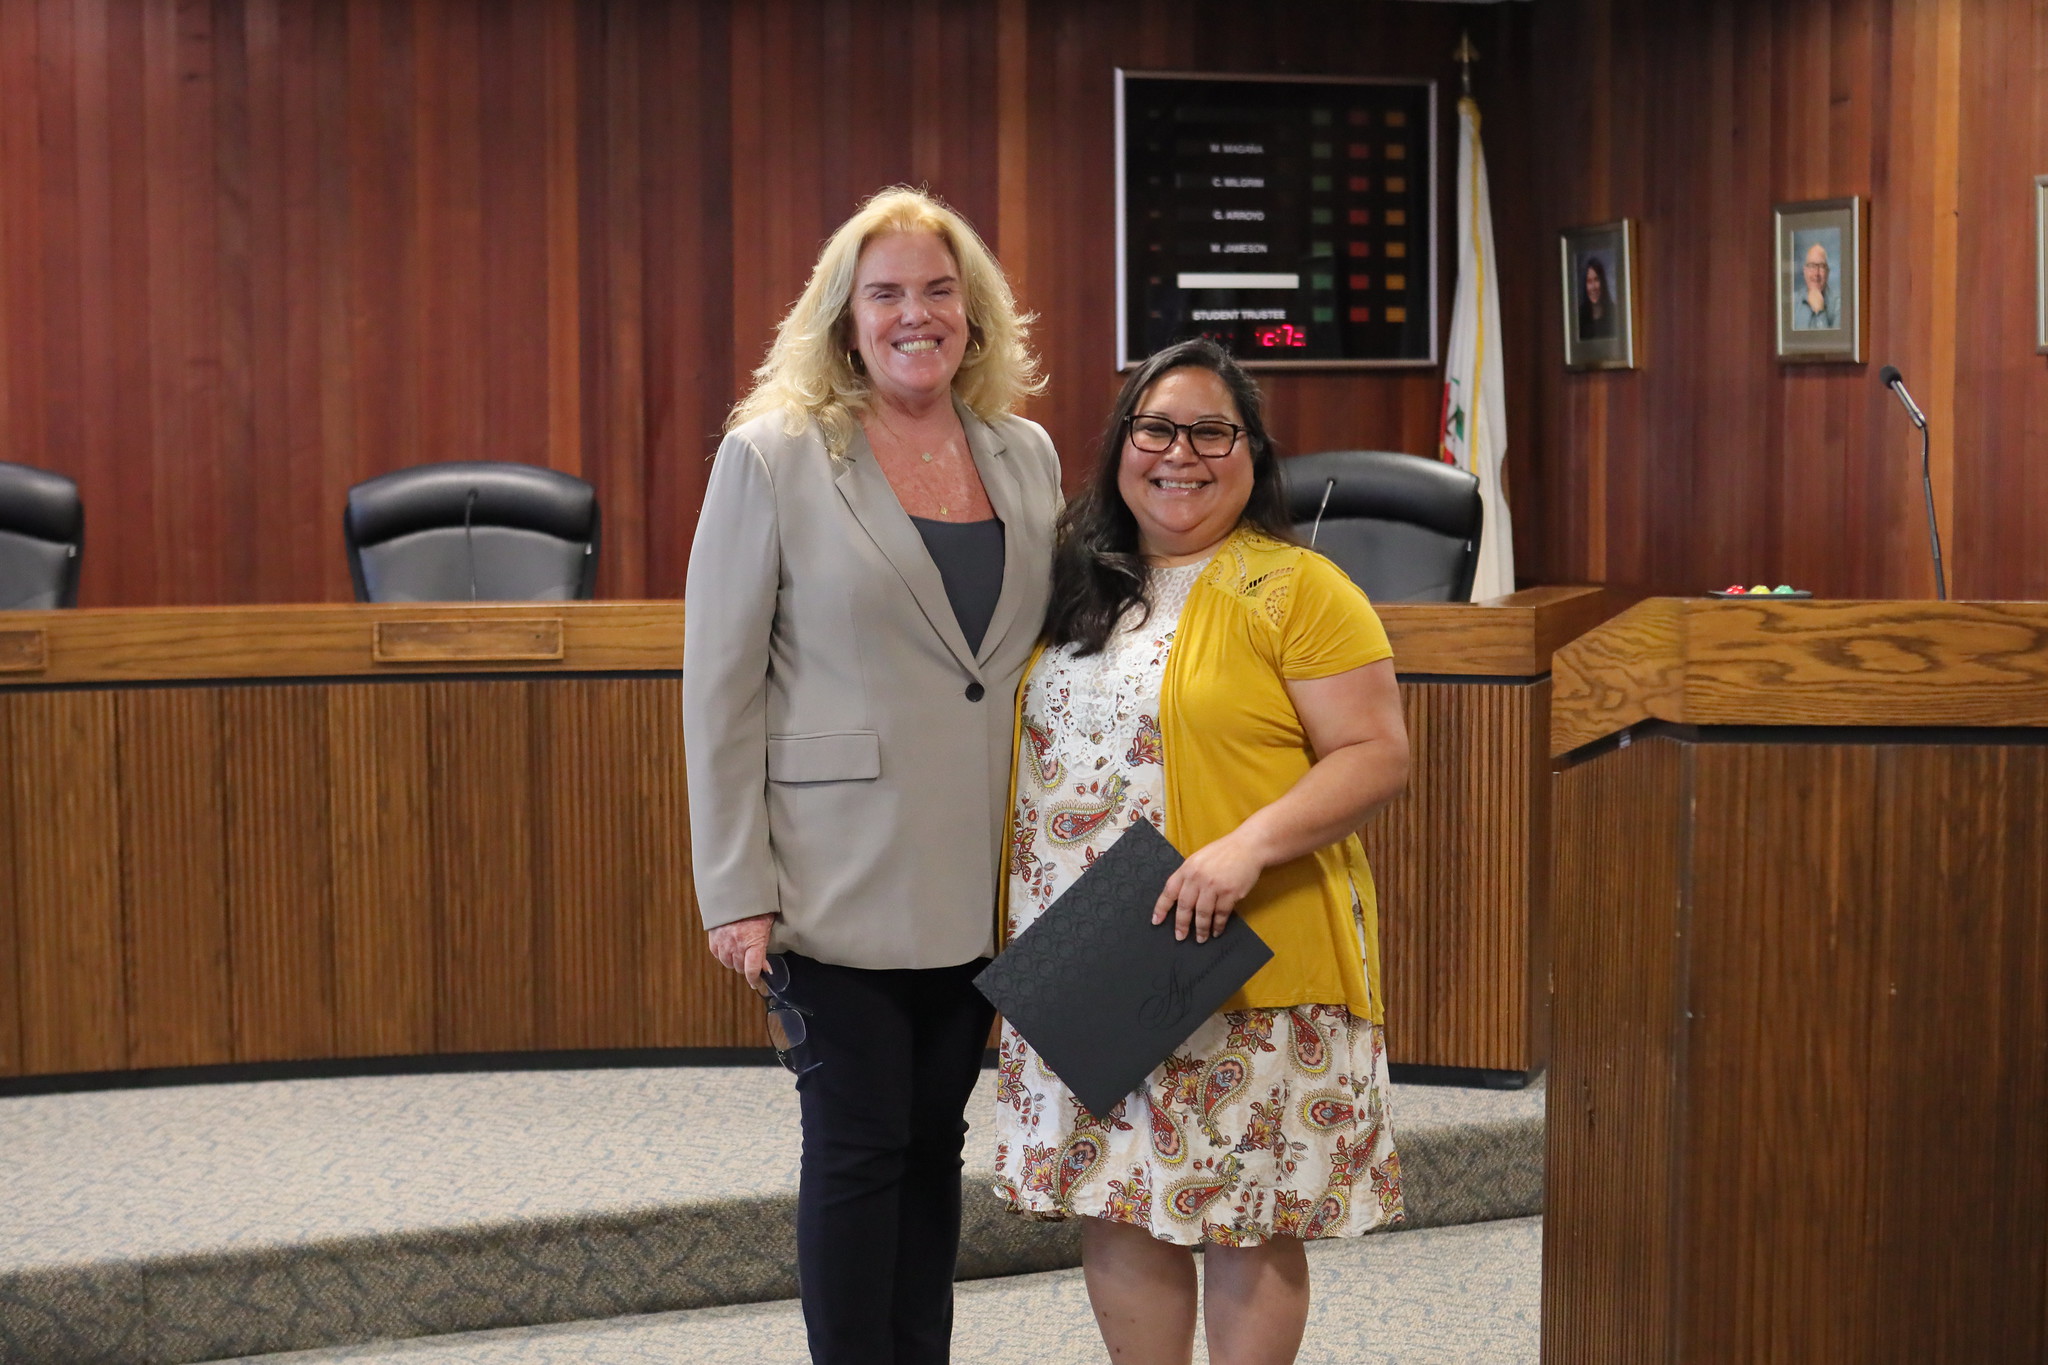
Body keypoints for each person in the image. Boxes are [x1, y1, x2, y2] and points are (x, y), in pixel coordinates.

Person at [683, 186, 1062, 1365]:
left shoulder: (1023, 452)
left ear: (974, 312)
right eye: (887, 292)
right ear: (845, 316)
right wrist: (731, 885)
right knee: (854, 1149)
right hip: (829, 876)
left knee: (930, 1144)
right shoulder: (776, 454)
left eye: (939, 291)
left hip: (979, 876)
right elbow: (719, 684)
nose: (916, 314)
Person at [990, 338, 1411, 1365]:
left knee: (1244, 1213)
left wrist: (1243, 850)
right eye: (1154, 428)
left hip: (1234, 947)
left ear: (1250, 454)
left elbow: (1373, 753)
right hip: (1085, 953)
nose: (1179, 454)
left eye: (1210, 431)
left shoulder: (1298, 586)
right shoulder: (1069, 583)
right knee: (1117, 1198)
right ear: (1119, 448)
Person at [1792, 239, 1840, 329]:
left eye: (1821, 266)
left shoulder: (1839, 305)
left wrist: (1820, 312)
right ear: (1804, 271)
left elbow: (1833, 343)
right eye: (1811, 266)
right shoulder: (1793, 302)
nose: (1816, 274)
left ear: (1828, 272)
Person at [1577, 256, 1615, 339]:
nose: (1593, 287)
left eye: (1596, 280)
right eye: (1589, 282)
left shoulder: (1614, 313)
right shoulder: (1579, 318)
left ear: (1603, 282)